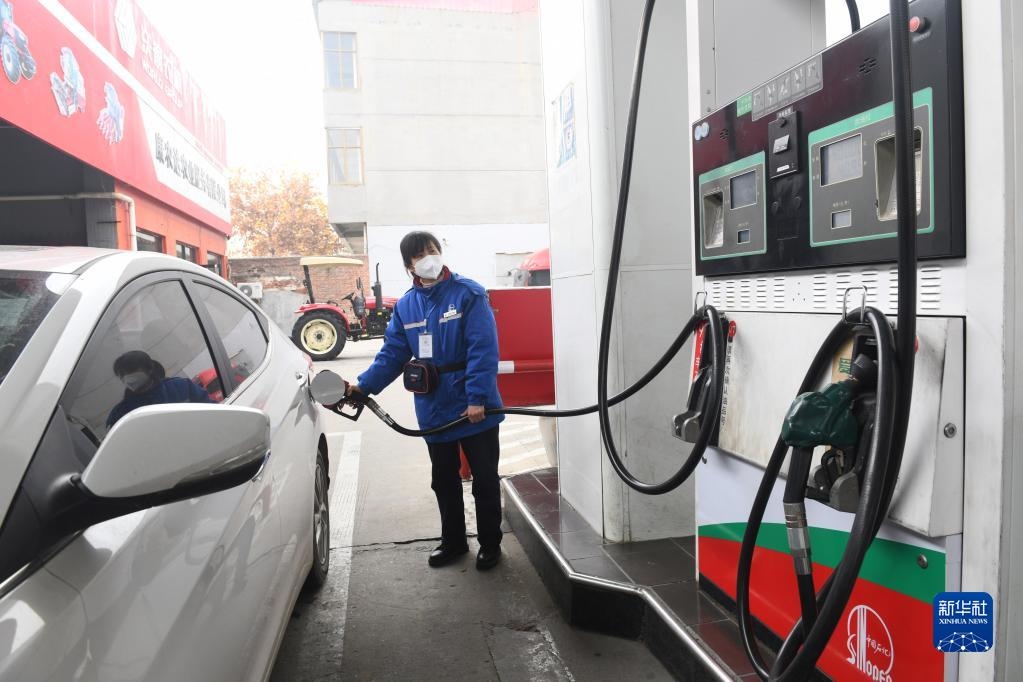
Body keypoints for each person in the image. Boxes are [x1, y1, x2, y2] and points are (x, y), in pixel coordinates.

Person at [350, 231, 505, 570]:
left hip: (475, 405)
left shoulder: (468, 293)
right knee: (443, 480)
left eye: (433, 250)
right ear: (409, 265)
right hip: (433, 405)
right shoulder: (406, 306)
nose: (429, 258)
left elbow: (483, 350)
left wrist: (477, 397)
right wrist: (363, 387)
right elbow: (393, 354)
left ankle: (490, 543)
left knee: (484, 478)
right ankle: (454, 542)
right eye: (420, 255)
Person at [107, 350, 213, 429]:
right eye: (122, 375)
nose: (127, 378)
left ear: (149, 369)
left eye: (132, 370)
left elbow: (212, 413)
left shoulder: (182, 387)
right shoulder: (120, 414)